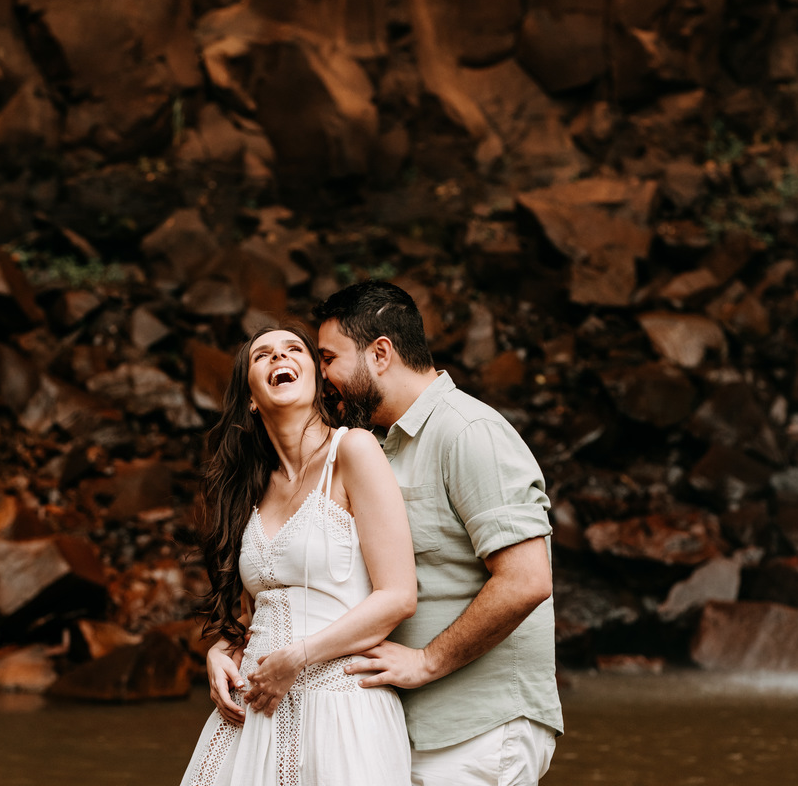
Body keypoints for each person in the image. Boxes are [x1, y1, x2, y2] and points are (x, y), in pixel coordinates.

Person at [209, 283, 563, 786]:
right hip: (398, 724)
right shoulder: (377, 445)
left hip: (477, 725)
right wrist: (229, 649)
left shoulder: (468, 432)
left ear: (380, 354)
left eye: (327, 357)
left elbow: (527, 580)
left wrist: (427, 661)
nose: (323, 373)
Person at [181, 325, 417, 786]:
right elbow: (261, 608)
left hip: (341, 706)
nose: (278, 357)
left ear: (316, 381)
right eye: (262, 355)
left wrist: (299, 658)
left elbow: (398, 597)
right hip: (255, 709)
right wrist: (223, 649)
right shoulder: (247, 488)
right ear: (251, 396)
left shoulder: (353, 450)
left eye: (293, 350)